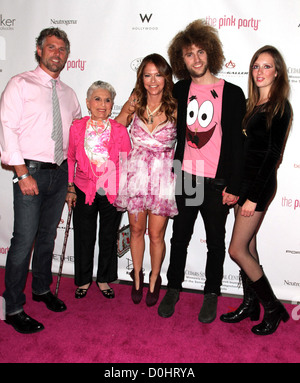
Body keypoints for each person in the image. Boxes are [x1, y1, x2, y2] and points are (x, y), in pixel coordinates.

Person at [158, 19, 246, 323]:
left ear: (210, 53)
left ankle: (211, 293)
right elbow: (151, 102)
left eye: (199, 52)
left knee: (216, 242)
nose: (195, 58)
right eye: (188, 54)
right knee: (179, 237)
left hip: (217, 182)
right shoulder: (180, 90)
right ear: (180, 60)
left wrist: (234, 185)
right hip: (186, 178)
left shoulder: (232, 94)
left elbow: (238, 144)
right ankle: (173, 288)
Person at [0, 27, 81, 334]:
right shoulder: (19, 84)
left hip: (59, 175)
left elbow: (74, 141)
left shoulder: (69, 94)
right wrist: (22, 173)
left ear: (67, 56)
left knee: (47, 237)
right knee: (23, 241)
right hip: (29, 172)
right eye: (51, 47)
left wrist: (71, 181)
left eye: (62, 49)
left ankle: (42, 289)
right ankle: (13, 307)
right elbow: (6, 128)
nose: (56, 53)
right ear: (39, 51)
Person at [220, 46, 292, 335]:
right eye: (256, 66)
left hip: (260, 187)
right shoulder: (252, 105)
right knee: (249, 247)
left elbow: (272, 157)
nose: (260, 72)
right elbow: (242, 153)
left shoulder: (280, 107)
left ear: (277, 72)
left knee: (236, 249)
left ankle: (273, 307)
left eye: (267, 66)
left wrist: (252, 197)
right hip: (245, 184)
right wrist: (236, 187)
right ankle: (251, 304)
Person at [114, 53, 178, 307]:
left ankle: (154, 278)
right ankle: (137, 277)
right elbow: (117, 129)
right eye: (148, 75)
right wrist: (128, 108)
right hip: (137, 176)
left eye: (158, 74)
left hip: (163, 177)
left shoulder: (175, 105)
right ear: (141, 77)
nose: (153, 80)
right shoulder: (136, 103)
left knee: (156, 234)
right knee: (137, 230)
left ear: (166, 77)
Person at [66, 81, 131, 300]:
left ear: (112, 104)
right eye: (97, 99)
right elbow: (71, 158)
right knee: (84, 236)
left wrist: (123, 191)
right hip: (84, 188)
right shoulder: (77, 127)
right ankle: (83, 280)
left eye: (107, 100)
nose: (102, 104)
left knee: (108, 236)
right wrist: (70, 187)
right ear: (88, 103)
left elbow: (126, 163)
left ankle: (104, 279)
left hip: (111, 190)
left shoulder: (120, 131)